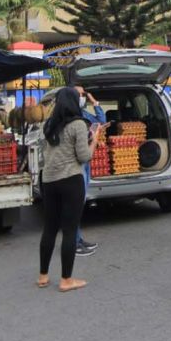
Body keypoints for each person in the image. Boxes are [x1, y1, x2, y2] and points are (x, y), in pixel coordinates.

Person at [37, 87, 96, 293]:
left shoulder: (49, 124)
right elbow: (84, 156)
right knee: (70, 230)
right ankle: (66, 279)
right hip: (71, 180)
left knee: (50, 229)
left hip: (49, 180)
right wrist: (94, 140)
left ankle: (43, 276)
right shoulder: (78, 124)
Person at [73, 86, 106, 257]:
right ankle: (74, 243)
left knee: (80, 203)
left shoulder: (84, 114)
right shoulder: (68, 117)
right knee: (74, 205)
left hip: (85, 163)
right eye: (79, 95)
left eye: (83, 95)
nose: (82, 97)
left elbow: (100, 121)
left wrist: (95, 102)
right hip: (75, 165)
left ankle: (78, 239)